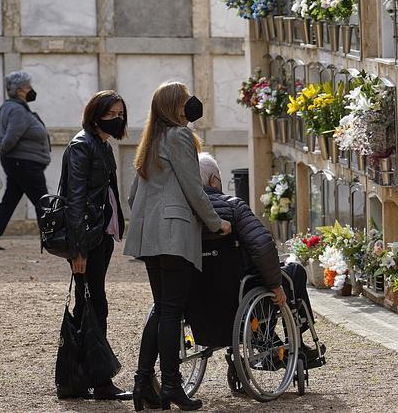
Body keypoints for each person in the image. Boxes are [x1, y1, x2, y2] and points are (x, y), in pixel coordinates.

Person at [124, 82, 230, 412]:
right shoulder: (180, 136)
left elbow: (133, 196)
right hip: (173, 234)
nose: (191, 104)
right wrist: (216, 222)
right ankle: (170, 385)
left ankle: (143, 382)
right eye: (186, 100)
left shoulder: (151, 140)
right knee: (171, 310)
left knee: (161, 309)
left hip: (150, 235)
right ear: (176, 107)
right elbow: (194, 189)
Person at [195, 154, 322, 374]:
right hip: (239, 293)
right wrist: (275, 284)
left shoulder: (182, 212)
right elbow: (263, 246)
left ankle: (269, 340)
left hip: (199, 298)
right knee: (295, 271)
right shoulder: (233, 207)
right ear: (214, 181)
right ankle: (297, 342)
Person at [57, 90, 132, 401]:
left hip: (100, 237)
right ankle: (98, 382)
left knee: (89, 304)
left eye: (120, 114)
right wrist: (78, 250)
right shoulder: (81, 146)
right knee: (93, 304)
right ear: (95, 115)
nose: (117, 119)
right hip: (87, 240)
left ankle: (77, 380)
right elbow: (73, 200)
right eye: (110, 114)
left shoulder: (102, 144)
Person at [0, 70, 51, 250]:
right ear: (20, 90)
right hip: (24, 163)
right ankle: (52, 239)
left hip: (18, 162)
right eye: (28, 87)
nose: (31, 89)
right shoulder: (17, 110)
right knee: (43, 201)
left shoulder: (10, 107)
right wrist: (2, 148)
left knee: (9, 201)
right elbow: (11, 137)